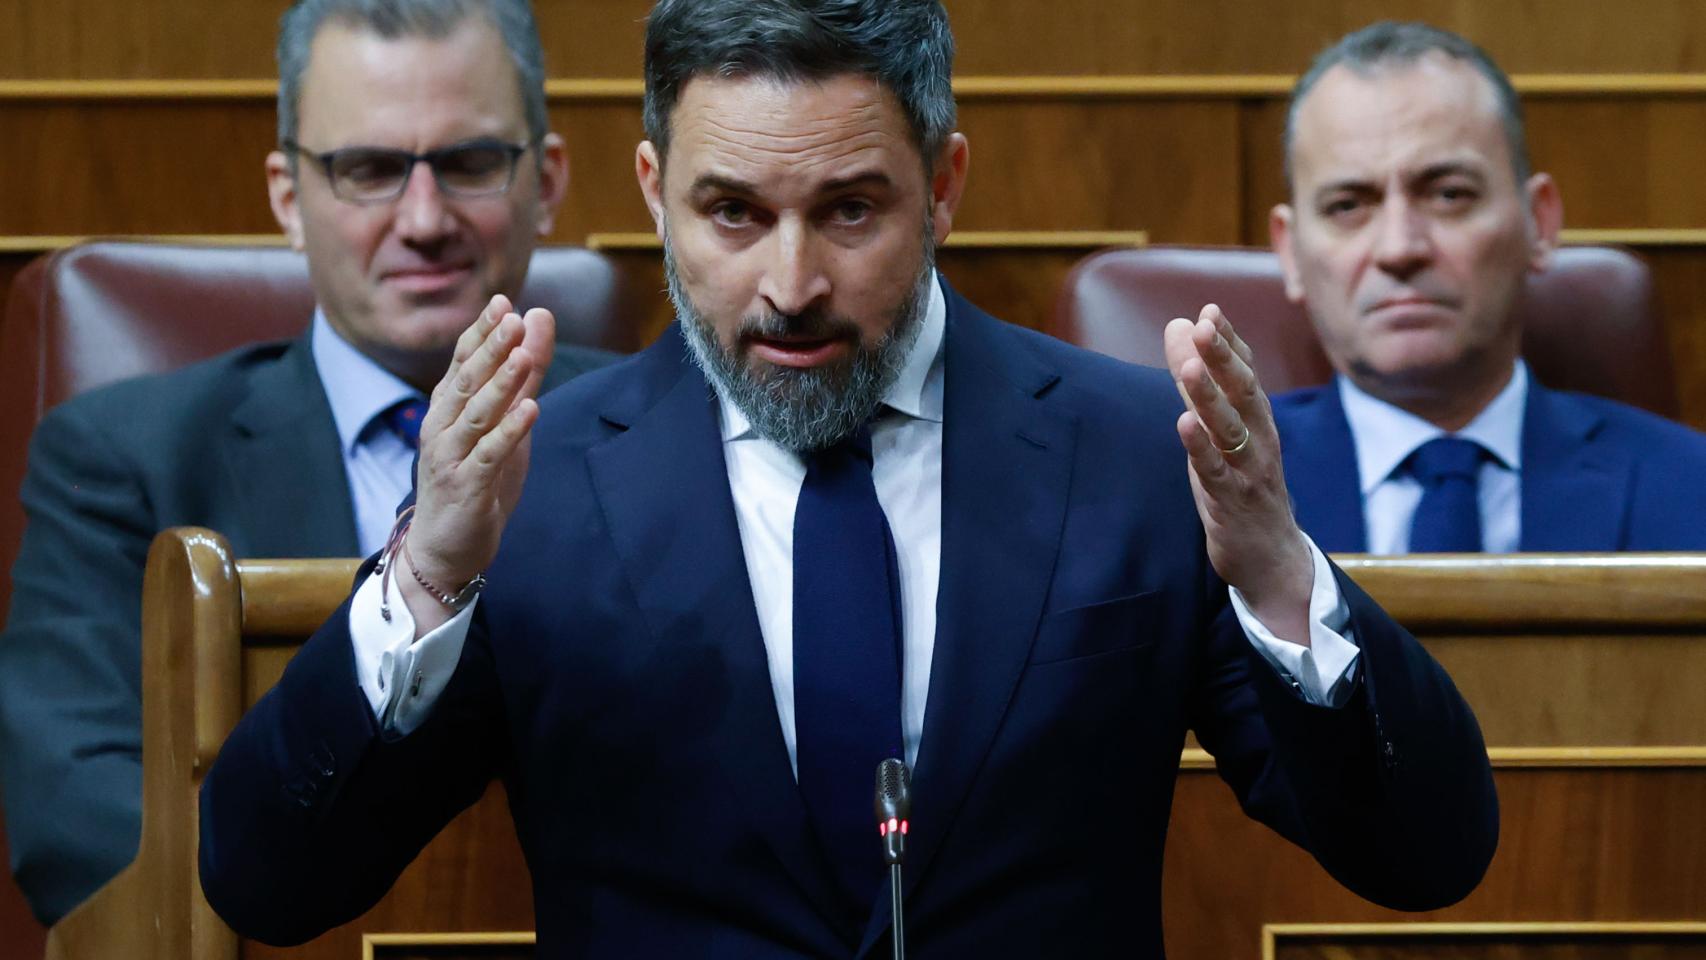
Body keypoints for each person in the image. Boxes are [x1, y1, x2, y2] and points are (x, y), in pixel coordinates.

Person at [200, 2, 1497, 955]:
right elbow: (268, 884)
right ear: (653, 191)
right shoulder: (533, 487)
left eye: (849, 211)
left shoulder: (1129, 453)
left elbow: (1424, 856)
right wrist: (426, 574)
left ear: (942, 186)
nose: (789, 284)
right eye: (732, 213)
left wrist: (1275, 569)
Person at [0, 0, 614, 925]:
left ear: (548, 178)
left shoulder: (656, 428)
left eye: (469, 163)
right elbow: (74, 818)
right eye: (367, 169)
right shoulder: (126, 460)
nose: (424, 218)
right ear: (289, 197)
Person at [1270, 21, 1706, 554]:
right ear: (1290, 252)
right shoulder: (1202, 496)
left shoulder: (1691, 490)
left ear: (1538, 223)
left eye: (1450, 195)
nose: (1399, 249)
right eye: (1347, 206)